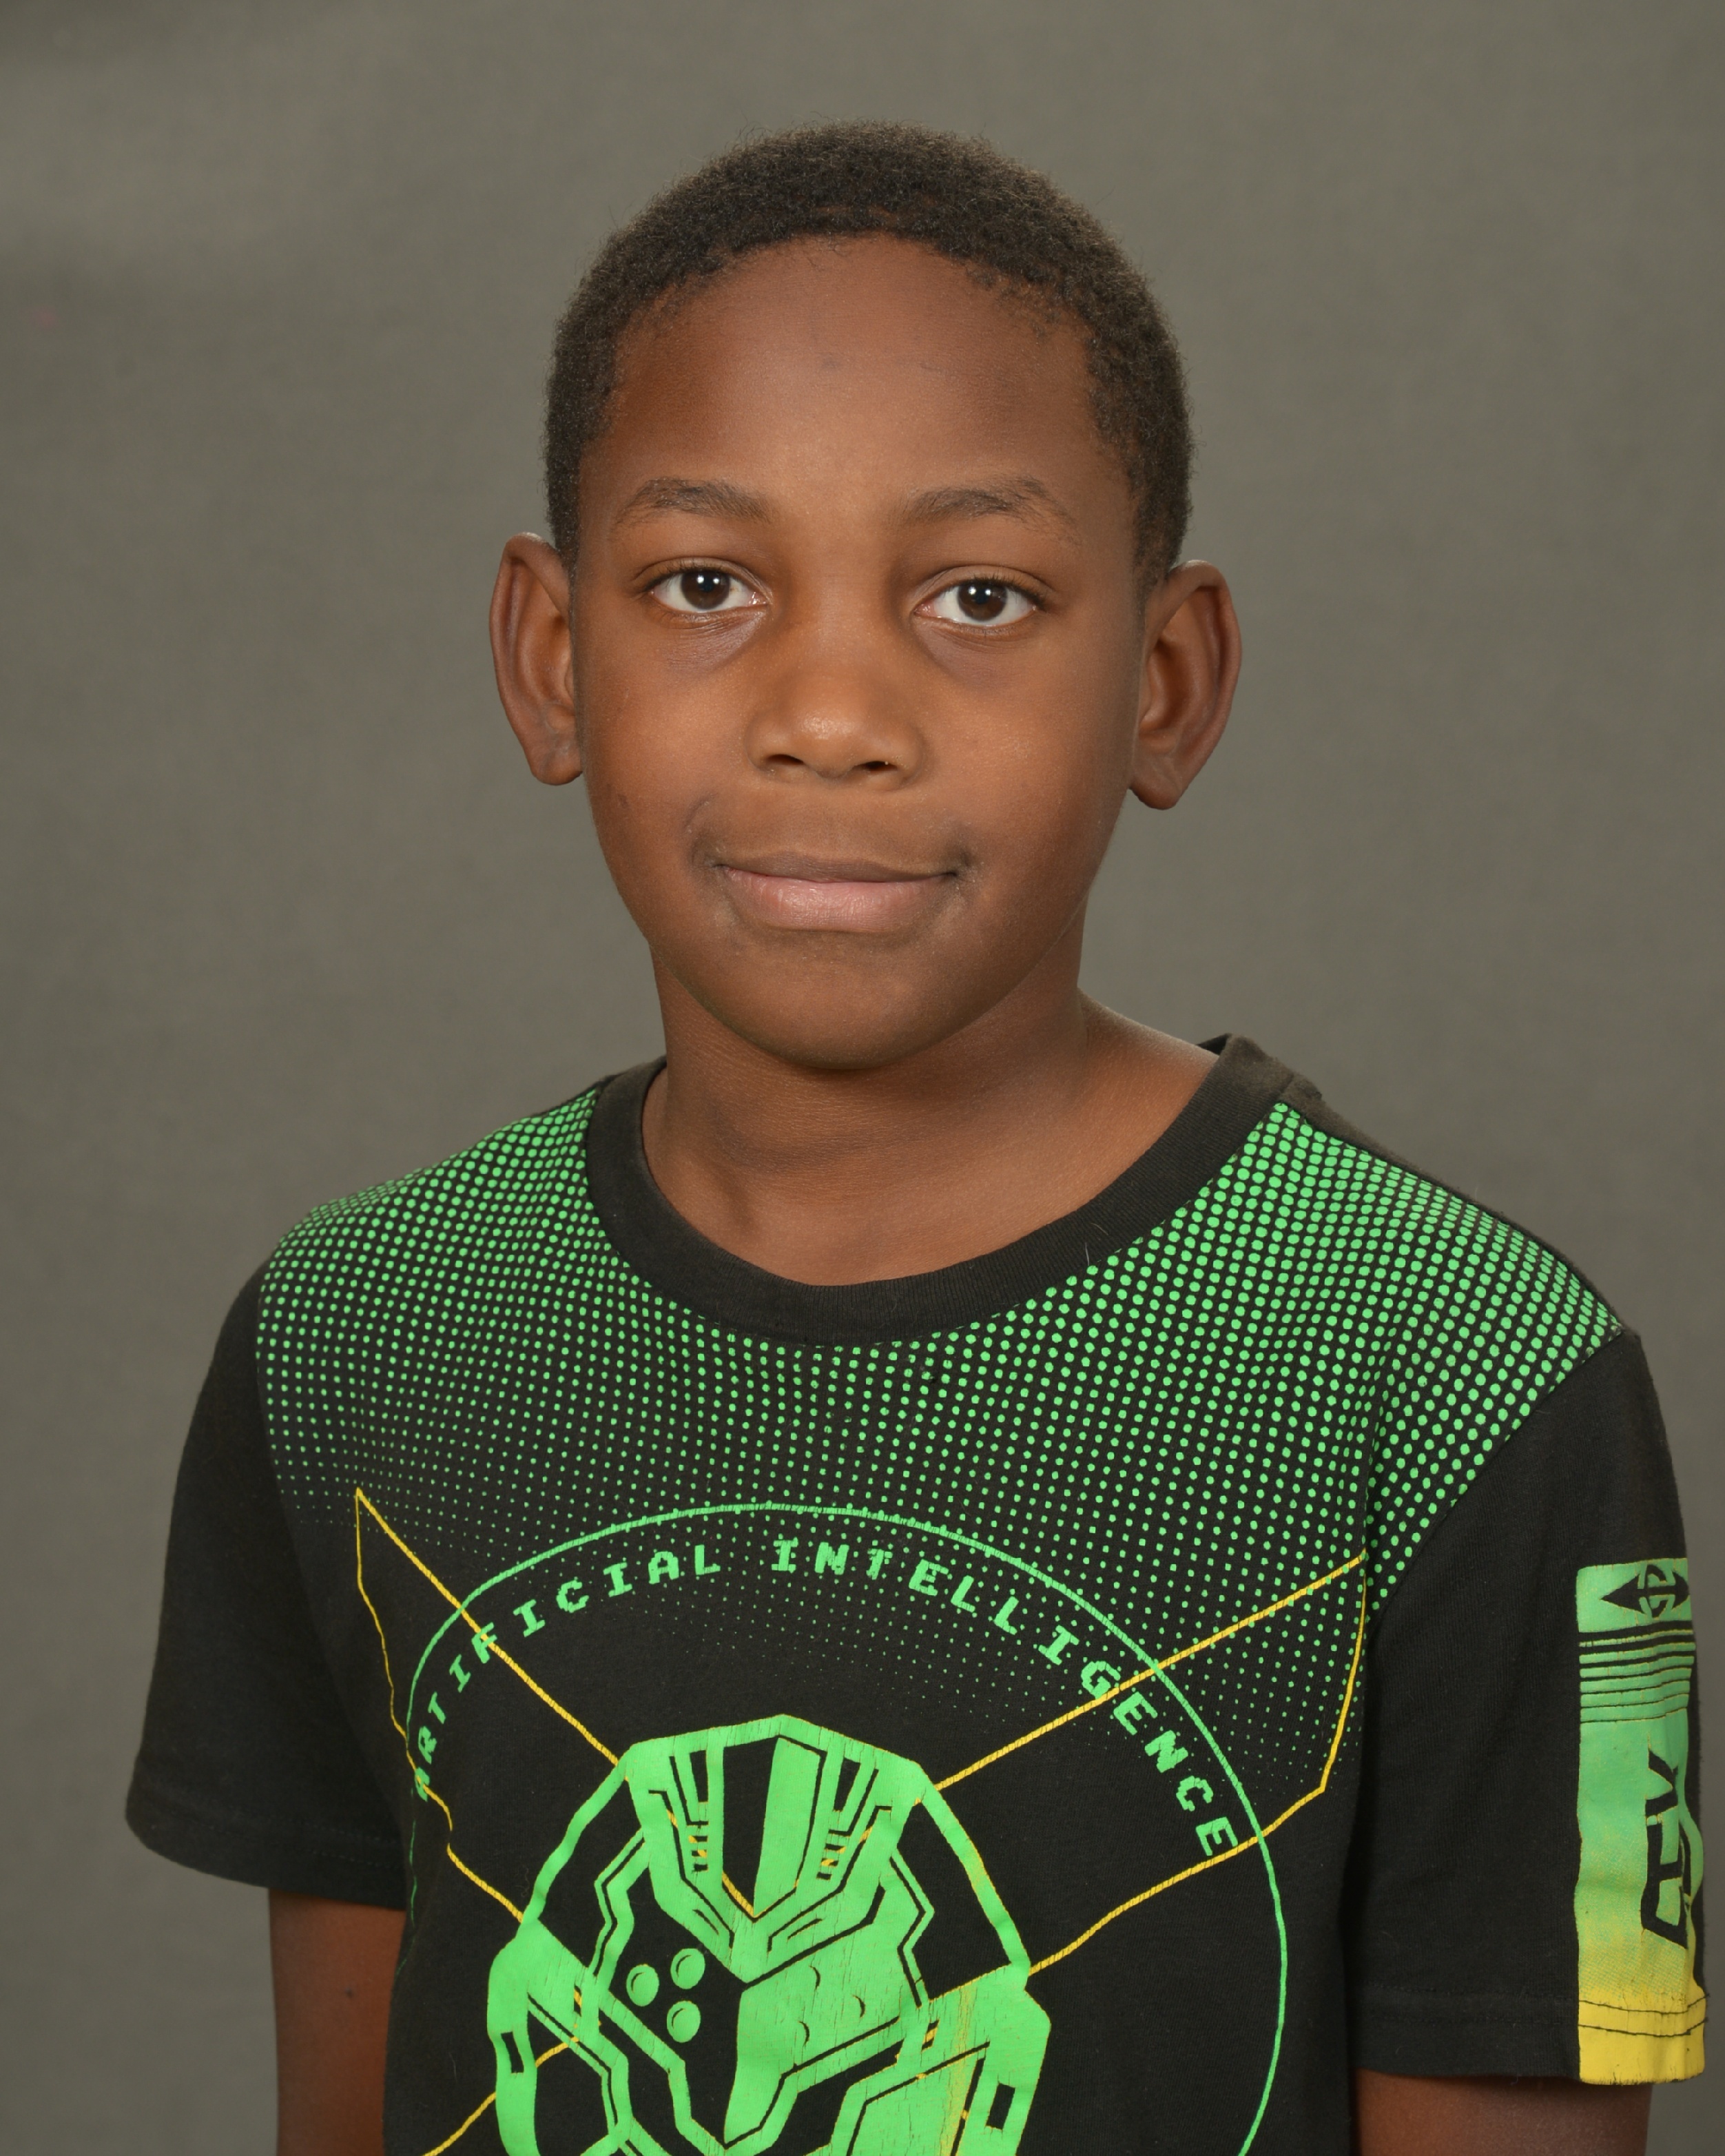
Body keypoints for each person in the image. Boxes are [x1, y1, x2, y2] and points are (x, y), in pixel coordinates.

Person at [127, 122, 1703, 2156]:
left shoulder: (1476, 1382)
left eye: (978, 594)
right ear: (551, 657)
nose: (834, 711)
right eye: (707, 584)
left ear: (1166, 680)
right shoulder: (357, 1337)